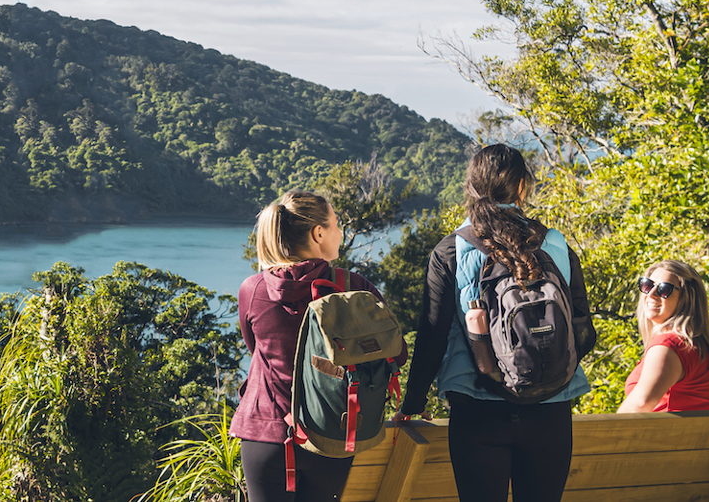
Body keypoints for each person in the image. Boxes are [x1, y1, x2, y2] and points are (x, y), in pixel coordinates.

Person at [395, 144, 597, 502]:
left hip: (478, 406)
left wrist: (413, 402)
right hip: (550, 407)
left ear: (471, 189)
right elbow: (582, 330)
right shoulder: (554, 244)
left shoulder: (452, 249)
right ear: (522, 187)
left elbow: (432, 334)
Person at [231, 190, 379, 502]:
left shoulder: (253, 289)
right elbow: (394, 355)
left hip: (267, 435)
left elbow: (254, 348)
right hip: (330, 436)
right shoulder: (354, 288)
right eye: (336, 223)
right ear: (318, 233)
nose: (341, 232)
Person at [618, 260, 709, 412]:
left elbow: (641, 403)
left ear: (686, 299)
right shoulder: (699, 345)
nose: (651, 293)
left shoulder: (671, 346)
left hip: (670, 435)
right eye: (647, 285)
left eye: (664, 289)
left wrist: (605, 435)